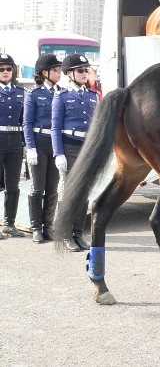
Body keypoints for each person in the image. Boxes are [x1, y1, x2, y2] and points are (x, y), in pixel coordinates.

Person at [52, 53, 98, 252]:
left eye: (86, 70)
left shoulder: (93, 96)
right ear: (69, 74)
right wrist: (58, 153)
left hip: (87, 147)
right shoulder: (61, 97)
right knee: (70, 193)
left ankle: (78, 234)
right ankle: (66, 234)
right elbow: (55, 127)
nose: (84, 73)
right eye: (80, 70)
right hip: (69, 147)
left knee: (85, 193)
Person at [23, 54, 63, 243]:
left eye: (59, 69)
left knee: (52, 188)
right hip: (39, 142)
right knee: (37, 188)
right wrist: (30, 147)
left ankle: (48, 226)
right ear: (44, 73)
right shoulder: (34, 94)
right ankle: (36, 227)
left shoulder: (61, 93)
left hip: (54, 144)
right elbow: (27, 123)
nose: (59, 73)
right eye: (55, 70)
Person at [0, 53, 26, 238]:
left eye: (9, 68)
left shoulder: (20, 91)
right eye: (1, 69)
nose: (5, 71)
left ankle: (9, 223)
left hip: (15, 140)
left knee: (13, 185)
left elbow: (25, 120)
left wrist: (26, 144)